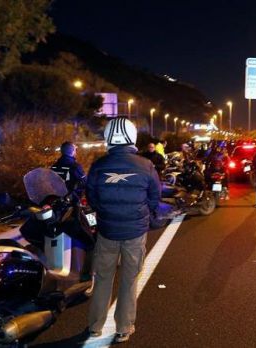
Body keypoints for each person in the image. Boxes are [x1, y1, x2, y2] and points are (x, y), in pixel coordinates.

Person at [86, 117, 161, 343]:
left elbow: (92, 198)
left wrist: (106, 214)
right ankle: (124, 328)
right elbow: (154, 198)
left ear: (108, 137)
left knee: (102, 279)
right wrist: (140, 214)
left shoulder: (98, 166)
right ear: (132, 137)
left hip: (107, 231)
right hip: (135, 232)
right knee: (129, 280)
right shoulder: (146, 165)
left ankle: (95, 327)